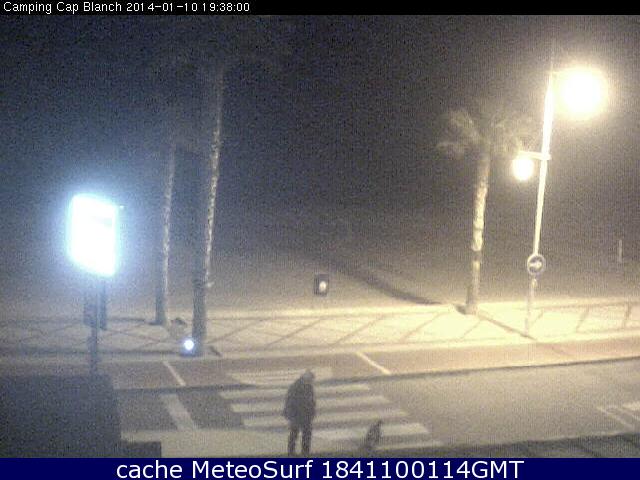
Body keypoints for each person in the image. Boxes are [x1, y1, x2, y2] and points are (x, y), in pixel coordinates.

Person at [283, 370, 316, 456]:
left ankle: (304, 452)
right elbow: (290, 401)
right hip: (297, 414)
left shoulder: (308, 387)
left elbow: (311, 401)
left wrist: (312, 412)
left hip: (305, 414)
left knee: (304, 434)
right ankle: (292, 452)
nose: (311, 382)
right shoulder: (296, 387)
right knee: (295, 434)